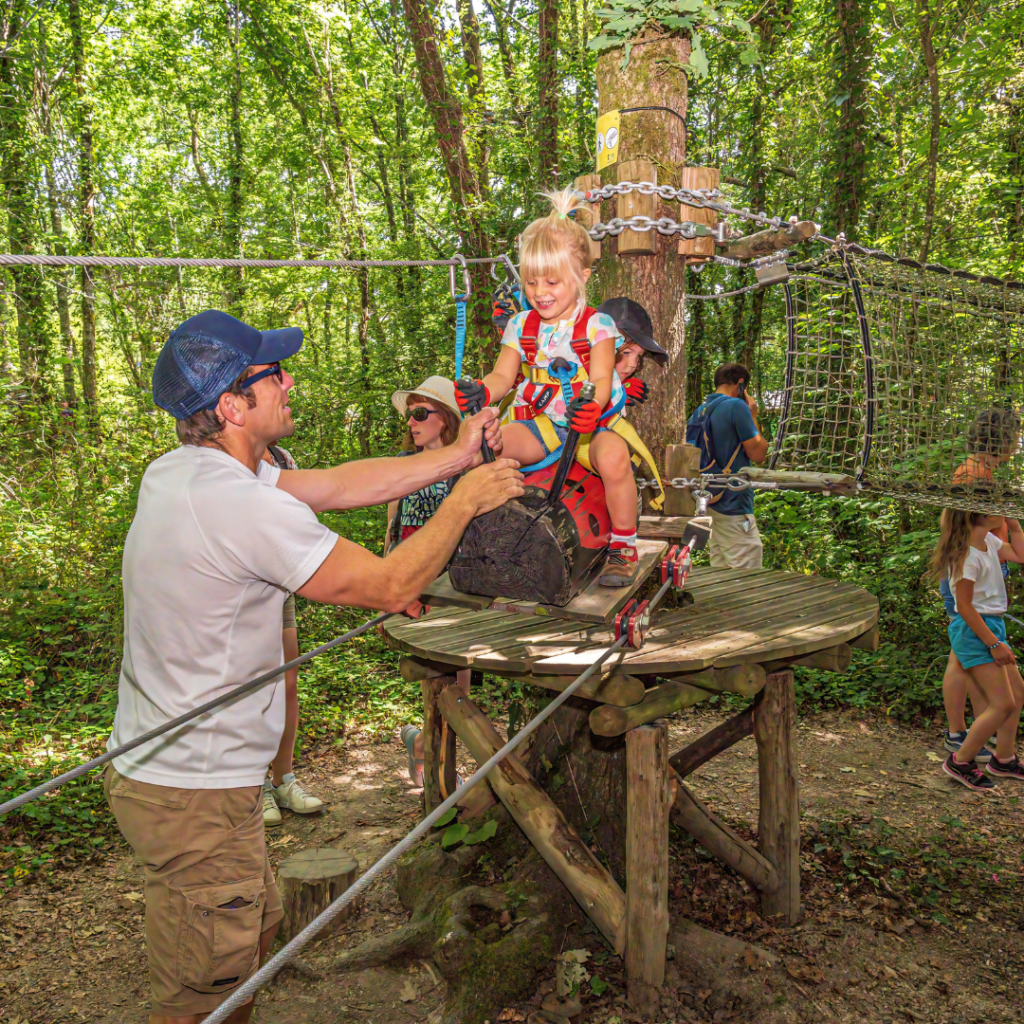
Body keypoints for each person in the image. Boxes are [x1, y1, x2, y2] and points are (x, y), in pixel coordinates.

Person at [104, 309, 523, 1024]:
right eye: (272, 374)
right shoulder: (234, 504)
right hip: (191, 794)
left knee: (251, 935)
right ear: (232, 405)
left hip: (185, 782)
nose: (288, 379)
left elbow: (339, 484)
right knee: (201, 992)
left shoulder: (185, 472)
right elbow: (392, 586)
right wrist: (463, 502)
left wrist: (456, 457)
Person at [454, 188, 645, 587]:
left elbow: (602, 379)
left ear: (582, 277)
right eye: (531, 282)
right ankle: (474, 538)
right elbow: (503, 377)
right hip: (540, 423)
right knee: (481, 451)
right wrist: (482, 393)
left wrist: (593, 407)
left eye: (553, 282)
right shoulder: (520, 325)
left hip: (588, 426)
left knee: (614, 458)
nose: (540, 292)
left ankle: (624, 545)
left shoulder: (598, 327)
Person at [384, 377, 476, 786]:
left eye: (421, 413)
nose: (413, 422)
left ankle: (423, 745)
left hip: (458, 577)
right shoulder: (403, 463)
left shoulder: (466, 466)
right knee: (436, 673)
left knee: (463, 679)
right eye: (410, 415)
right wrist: (391, 579)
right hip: (419, 576)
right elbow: (392, 526)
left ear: (446, 420)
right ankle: (442, 770)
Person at [940, 410, 1021, 758]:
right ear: (1000, 438)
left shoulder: (981, 470)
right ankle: (959, 734)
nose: (1018, 443)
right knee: (962, 656)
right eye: (1015, 435)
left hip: (987, 567)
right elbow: (957, 528)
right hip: (969, 575)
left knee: (964, 655)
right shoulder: (972, 473)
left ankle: (977, 727)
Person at [930, 508, 1024, 790]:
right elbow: (964, 607)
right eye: (994, 509)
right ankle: (960, 761)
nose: (1001, 511)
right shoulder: (966, 557)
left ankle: (1003, 758)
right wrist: (993, 644)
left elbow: (1020, 555)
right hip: (974, 631)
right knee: (1003, 703)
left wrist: (1015, 526)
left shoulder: (989, 542)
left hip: (991, 625)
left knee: (1017, 693)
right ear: (976, 518)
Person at [259, 442, 324, 826]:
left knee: (287, 683)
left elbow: (303, 516)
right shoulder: (223, 456)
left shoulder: (283, 459)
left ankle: (283, 780)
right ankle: (256, 787)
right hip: (242, 588)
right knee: (253, 688)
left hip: (278, 585)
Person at [685, 363, 769, 569]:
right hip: (733, 503)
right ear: (741, 385)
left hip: (709, 499)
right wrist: (753, 416)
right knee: (746, 571)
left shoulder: (699, 410)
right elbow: (758, 454)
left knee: (721, 567)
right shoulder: (736, 406)